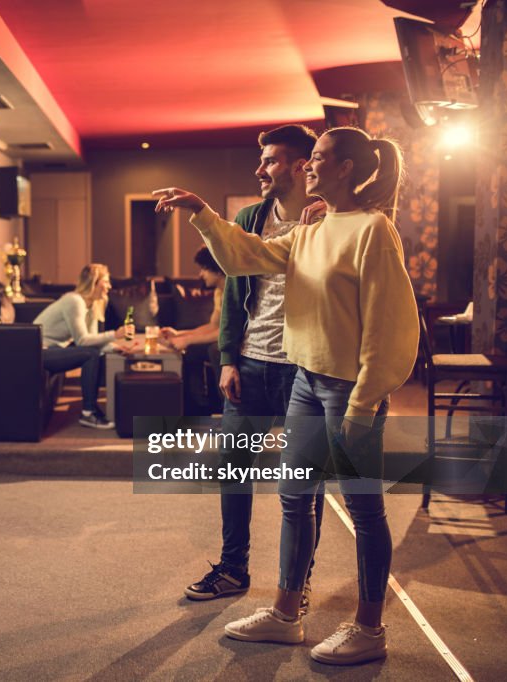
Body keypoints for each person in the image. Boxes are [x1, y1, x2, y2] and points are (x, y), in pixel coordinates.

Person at [154, 125, 419, 666]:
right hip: (304, 380)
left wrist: (365, 401)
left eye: (318, 158)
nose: (310, 167)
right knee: (295, 500)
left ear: (344, 167)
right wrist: (202, 212)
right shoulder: (311, 230)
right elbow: (243, 256)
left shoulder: (374, 230)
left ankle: (369, 629)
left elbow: (392, 328)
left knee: (365, 511)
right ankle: (284, 615)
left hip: (348, 391)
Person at [179, 125, 327, 608]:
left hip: (306, 368)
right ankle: (233, 568)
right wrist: (227, 358)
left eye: (270, 161)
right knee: (234, 468)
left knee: (305, 481)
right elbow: (231, 300)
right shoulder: (248, 217)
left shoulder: (332, 218)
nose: (259, 169)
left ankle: (297, 581)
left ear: (301, 165)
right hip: (251, 363)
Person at [33, 263, 123, 429]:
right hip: (38, 351)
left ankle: (91, 408)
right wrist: (114, 334)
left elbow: (93, 341)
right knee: (90, 355)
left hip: (55, 349)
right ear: (94, 282)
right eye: (106, 281)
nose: (109, 286)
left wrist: (117, 347)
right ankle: (88, 413)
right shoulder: (74, 301)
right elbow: (82, 341)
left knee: (94, 353)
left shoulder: (93, 304)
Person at [159, 245, 225, 416]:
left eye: (204, 269)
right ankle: (198, 407)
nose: (200, 274)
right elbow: (213, 326)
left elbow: (228, 333)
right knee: (193, 351)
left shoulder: (234, 290)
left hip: (241, 341)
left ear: (218, 270)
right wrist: (180, 334)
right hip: (225, 337)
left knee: (214, 349)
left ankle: (226, 408)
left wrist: (186, 340)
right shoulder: (219, 292)